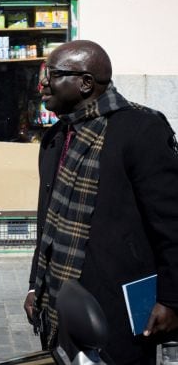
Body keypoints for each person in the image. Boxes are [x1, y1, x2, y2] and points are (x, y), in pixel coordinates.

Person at [23, 40, 178, 364]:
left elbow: (170, 222)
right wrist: (35, 286)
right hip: (60, 302)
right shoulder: (54, 138)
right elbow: (47, 223)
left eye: (52, 74)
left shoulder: (140, 129)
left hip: (118, 302)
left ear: (85, 83)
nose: (43, 83)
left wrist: (172, 300)